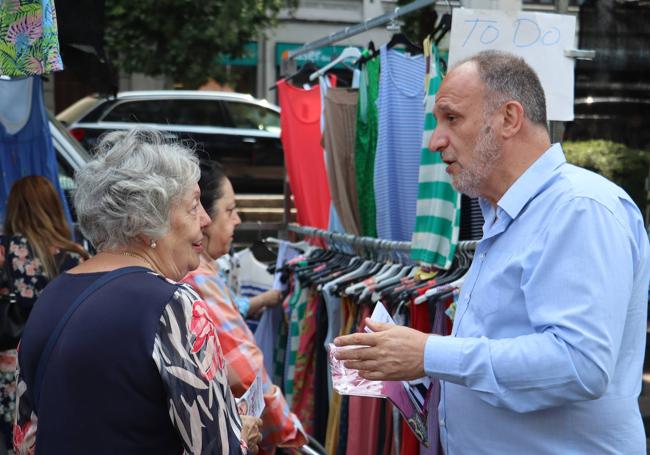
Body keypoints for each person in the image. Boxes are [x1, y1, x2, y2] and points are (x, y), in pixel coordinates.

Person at [334, 50, 650, 453]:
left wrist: (429, 354)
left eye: (451, 118)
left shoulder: (579, 208)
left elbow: (579, 365)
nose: (435, 141)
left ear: (508, 119)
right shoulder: (506, 214)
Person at [13, 129, 262, 454]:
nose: (204, 219)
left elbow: (26, 440)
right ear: (145, 220)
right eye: (192, 206)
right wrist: (241, 433)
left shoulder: (53, 296)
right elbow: (218, 449)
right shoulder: (173, 305)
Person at [183, 161, 307, 454]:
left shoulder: (204, 272)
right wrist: (287, 431)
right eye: (229, 210)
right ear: (203, 217)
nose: (237, 220)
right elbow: (243, 369)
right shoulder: (197, 276)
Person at [0, 175, 89, 452]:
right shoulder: (76, 258)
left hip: (7, 369)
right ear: (53, 207)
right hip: (54, 367)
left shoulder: (4, 250)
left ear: (14, 207)